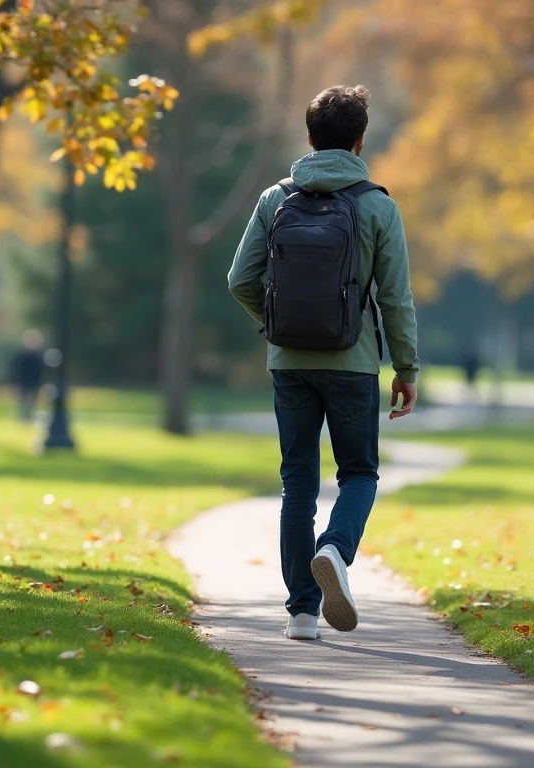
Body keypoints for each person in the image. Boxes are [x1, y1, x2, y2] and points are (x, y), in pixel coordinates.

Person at [227, 85, 420, 641]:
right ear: (360, 141)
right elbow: (395, 298)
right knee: (358, 473)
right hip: (353, 362)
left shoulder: (274, 199)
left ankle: (302, 615)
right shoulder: (378, 205)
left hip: (288, 363)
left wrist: (276, 327)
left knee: (297, 483)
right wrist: (406, 368)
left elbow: (240, 280)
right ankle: (334, 549)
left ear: (309, 137)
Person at [10, 329, 46, 422]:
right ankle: (24, 415)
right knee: (23, 399)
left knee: (32, 399)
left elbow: (41, 370)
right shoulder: (21, 355)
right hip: (23, 380)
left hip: (34, 381)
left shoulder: (38, 355)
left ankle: (29, 415)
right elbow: (16, 369)